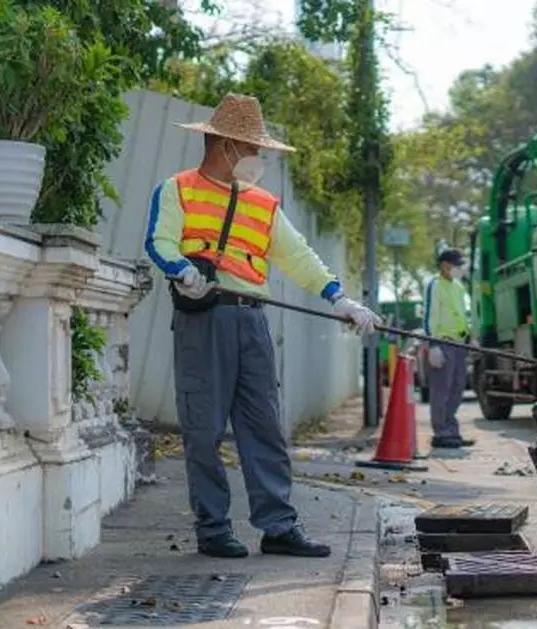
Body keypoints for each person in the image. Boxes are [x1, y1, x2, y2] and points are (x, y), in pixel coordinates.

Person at [144, 93, 382, 559]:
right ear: (225, 144)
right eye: (252, 149)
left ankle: (278, 526)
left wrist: (340, 299)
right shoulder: (177, 189)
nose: (258, 158)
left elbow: (299, 258)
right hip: (204, 318)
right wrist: (181, 270)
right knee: (203, 427)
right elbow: (160, 241)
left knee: (264, 427)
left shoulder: (264, 205)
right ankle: (213, 529)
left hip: (252, 322)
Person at [423, 248, 476, 449]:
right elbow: (429, 316)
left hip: (459, 344)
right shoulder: (434, 285)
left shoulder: (458, 287)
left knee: (457, 388)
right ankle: (441, 432)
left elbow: (463, 314)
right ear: (446, 265)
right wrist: (432, 345)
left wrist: (470, 336)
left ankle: (452, 430)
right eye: (457, 265)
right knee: (441, 390)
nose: (460, 269)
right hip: (443, 343)